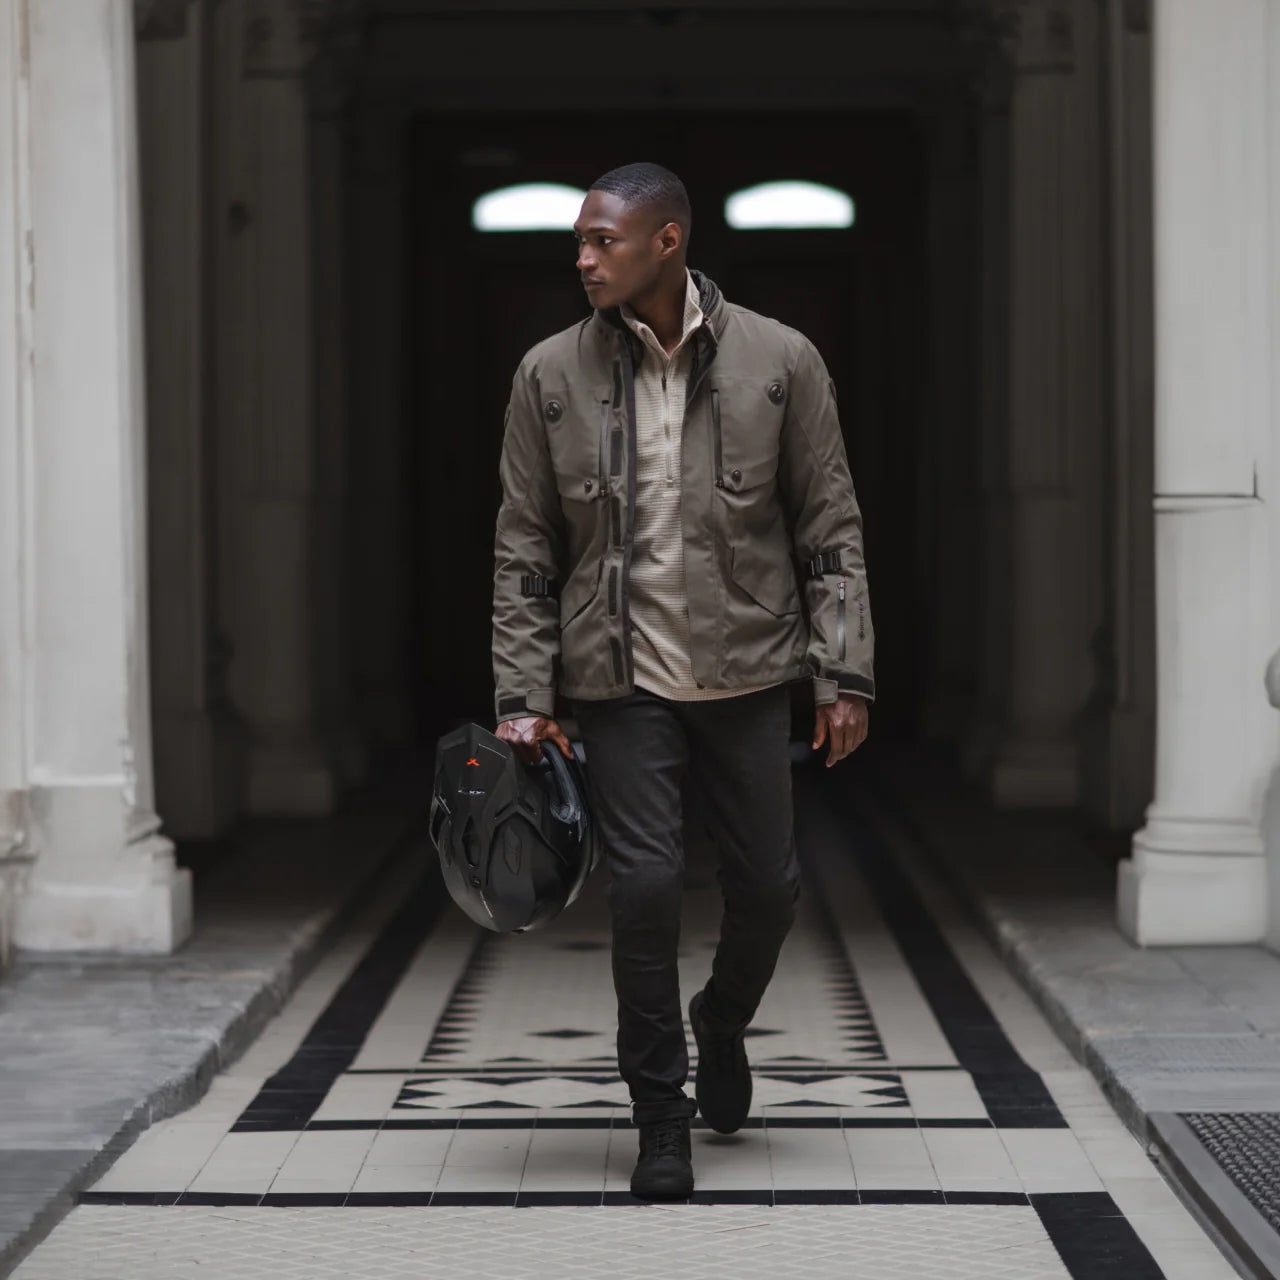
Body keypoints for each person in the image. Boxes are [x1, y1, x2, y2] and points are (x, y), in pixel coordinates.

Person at [491, 162, 874, 1199]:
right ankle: (660, 1115)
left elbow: (829, 527)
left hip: (747, 672)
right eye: (578, 241)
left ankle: (722, 1019)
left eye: (602, 241)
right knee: (645, 889)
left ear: (667, 242)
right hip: (619, 681)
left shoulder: (780, 360)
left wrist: (842, 674)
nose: (583, 260)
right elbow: (524, 546)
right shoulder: (548, 373)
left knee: (768, 891)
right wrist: (525, 699)